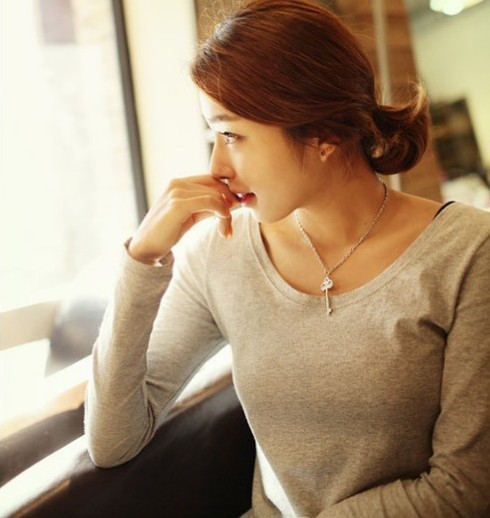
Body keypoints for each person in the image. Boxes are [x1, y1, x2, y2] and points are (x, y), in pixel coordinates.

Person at [85, 0, 490, 516]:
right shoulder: (219, 252)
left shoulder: (469, 251)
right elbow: (112, 440)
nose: (217, 166)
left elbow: (464, 490)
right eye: (212, 135)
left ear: (323, 133)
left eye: (231, 135)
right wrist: (142, 258)